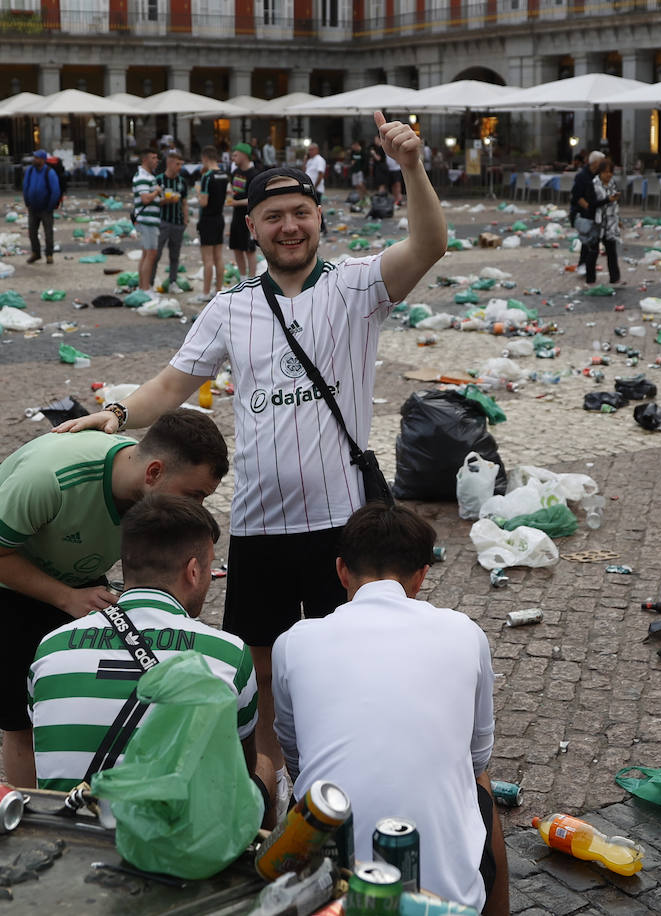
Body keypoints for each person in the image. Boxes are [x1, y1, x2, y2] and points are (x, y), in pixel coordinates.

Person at [55, 111, 448, 809]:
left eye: (300, 212)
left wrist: (411, 167)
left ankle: (335, 778)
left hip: (340, 524)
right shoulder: (231, 306)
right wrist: (116, 413)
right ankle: (266, 787)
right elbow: (174, 387)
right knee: (260, 668)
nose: (289, 226)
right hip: (262, 524)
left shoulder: (358, 287)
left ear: (319, 220)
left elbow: (430, 243)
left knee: (343, 662)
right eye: (273, 216)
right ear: (253, 230)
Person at [273, 503, 507, 914]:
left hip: (325, 892)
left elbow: (295, 758)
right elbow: (476, 759)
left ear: (342, 570)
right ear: (421, 576)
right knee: (480, 785)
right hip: (450, 899)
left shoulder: (294, 642)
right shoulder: (465, 633)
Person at [0, 410, 228, 788]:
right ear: (153, 473)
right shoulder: (49, 479)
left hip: (80, 583)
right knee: (21, 723)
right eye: (194, 496)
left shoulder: (144, 484)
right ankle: (33, 818)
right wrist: (66, 597)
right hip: (11, 586)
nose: (196, 509)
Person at [28, 494, 272, 813]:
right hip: (168, 840)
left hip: (70, 825)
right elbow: (237, 772)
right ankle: (248, 859)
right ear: (193, 571)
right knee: (265, 768)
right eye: (210, 566)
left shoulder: (51, 647)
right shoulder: (228, 653)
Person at [151, 150, 191, 293]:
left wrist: (186, 219)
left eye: (181, 164)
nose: (179, 167)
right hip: (163, 221)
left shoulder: (182, 182)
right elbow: (153, 202)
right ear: (169, 163)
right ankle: (151, 281)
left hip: (178, 223)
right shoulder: (159, 180)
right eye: (177, 164)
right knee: (156, 254)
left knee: (175, 255)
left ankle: (173, 282)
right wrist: (166, 200)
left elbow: (185, 202)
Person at [197, 145, 230, 301]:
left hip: (207, 219)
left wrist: (198, 190)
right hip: (219, 217)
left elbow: (203, 202)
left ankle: (205, 292)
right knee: (219, 257)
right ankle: (218, 290)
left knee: (207, 259)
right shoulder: (224, 175)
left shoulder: (207, 176)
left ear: (205, 158)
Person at [22, 149, 62, 266]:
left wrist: (50, 206)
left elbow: (55, 191)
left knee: (48, 232)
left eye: (37, 158)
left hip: (45, 208)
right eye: (34, 157)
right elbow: (26, 186)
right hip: (33, 208)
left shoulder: (49, 172)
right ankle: (36, 252)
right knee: (32, 232)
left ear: (43, 160)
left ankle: (49, 254)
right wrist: (27, 201)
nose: (35, 160)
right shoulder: (30, 171)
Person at [227, 142, 260, 281]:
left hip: (249, 216)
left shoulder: (254, 175)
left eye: (235, 155)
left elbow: (255, 199)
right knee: (236, 247)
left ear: (244, 155)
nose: (232, 157)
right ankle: (242, 278)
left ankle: (252, 280)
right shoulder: (235, 172)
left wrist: (236, 202)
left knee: (249, 249)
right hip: (236, 216)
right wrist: (229, 193)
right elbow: (234, 190)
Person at [571, 150, 605, 285]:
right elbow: (577, 197)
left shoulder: (598, 176)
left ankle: (585, 267)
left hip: (594, 213)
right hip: (584, 214)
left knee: (591, 242)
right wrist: (589, 209)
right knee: (589, 241)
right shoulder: (582, 176)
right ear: (595, 163)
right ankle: (585, 268)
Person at [133, 148, 162, 292]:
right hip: (147, 220)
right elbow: (145, 199)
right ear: (145, 159)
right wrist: (157, 191)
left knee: (146, 254)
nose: (156, 161)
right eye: (153, 158)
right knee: (151, 254)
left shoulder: (149, 176)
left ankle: (142, 286)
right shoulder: (142, 177)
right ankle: (145, 288)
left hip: (150, 219)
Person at [593, 158, 622, 286]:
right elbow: (593, 203)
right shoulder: (594, 184)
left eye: (610, 172)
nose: (608, 175)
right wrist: (608, 200)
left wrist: (617, 219)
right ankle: (590, 277)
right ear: (600, 172)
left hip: (610, 222)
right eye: (605, 172)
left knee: (611, 250)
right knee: (593, 251)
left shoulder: (612, 184)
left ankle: (615, 277)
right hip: (598, 221)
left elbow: (614, 204)